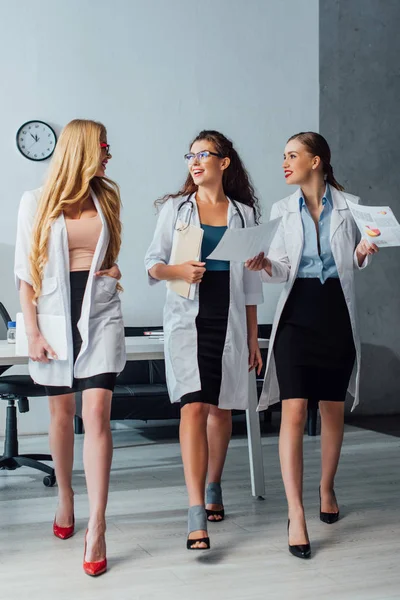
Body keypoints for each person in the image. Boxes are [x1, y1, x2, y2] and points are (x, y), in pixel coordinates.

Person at [246, 131, 378, 559]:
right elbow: (282, 268)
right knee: (295, 407)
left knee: (331, 407)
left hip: (336, 312)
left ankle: (325, 488)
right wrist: (266, 264)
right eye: (283, 156)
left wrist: (362, 251)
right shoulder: (282, 210)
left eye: (293, 156)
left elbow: (357, 257)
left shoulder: (350, 205)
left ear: (317, 161)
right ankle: (296, 512)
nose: (285, 163)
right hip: (297, 314)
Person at [14, 119, 126, 576]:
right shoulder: (35, 203)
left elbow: (110, 257)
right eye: (104, 146)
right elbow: (25, 273)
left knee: (96, 414)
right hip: (55, 318)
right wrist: (35, 332)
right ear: (83, 149)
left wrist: (115, 274)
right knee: (61, 414)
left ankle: (97, 525)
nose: (109, 155)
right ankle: (66, 494)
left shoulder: (107, 198)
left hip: (99, 314)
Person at [145, 130, 263, 549]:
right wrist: (177, 271)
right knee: (193, 408)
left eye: (203, 155)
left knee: (220, 410)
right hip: (185, 319)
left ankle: (214, 484)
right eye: (190, 156)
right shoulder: (176, 210)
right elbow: (152, 264)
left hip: (227, 319)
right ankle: (196, 511)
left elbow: (250, 284)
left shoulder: (245, 215)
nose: (194, 163)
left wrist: (252, 339)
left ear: (224, 162)